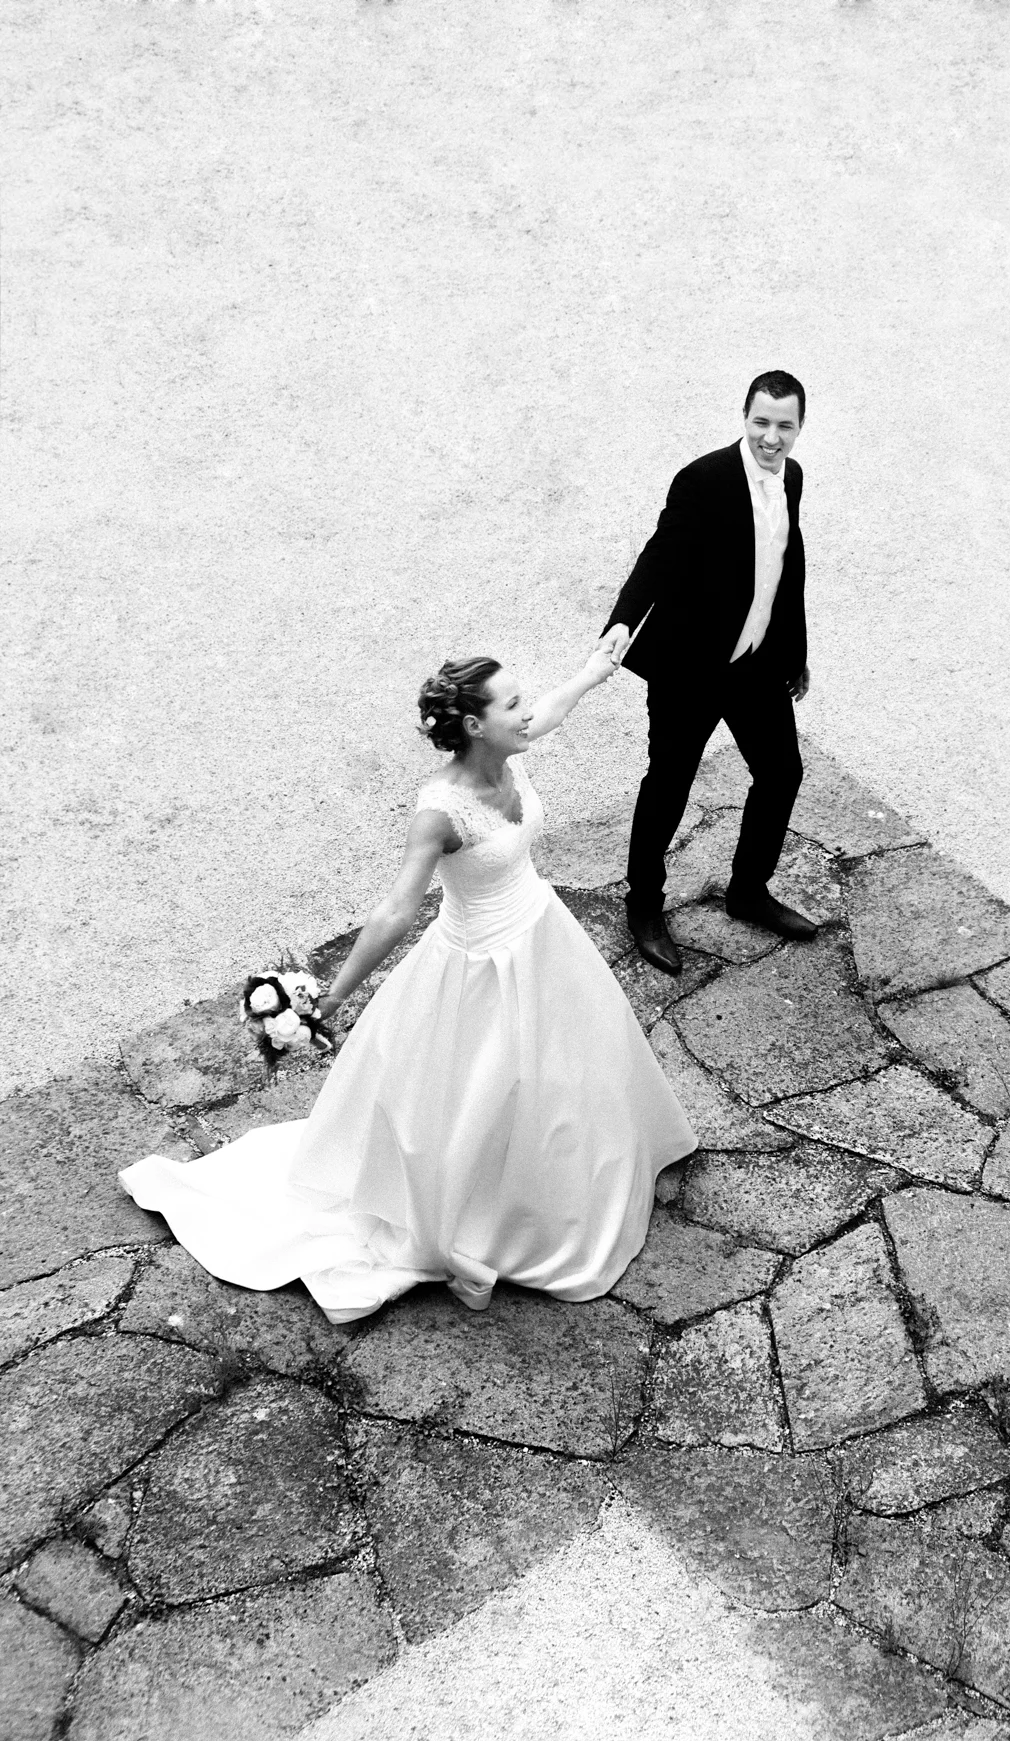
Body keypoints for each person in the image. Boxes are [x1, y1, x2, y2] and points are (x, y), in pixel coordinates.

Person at [119, 644, 697, 1321]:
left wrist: (596, 671)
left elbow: (553, 712)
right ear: (476, 726)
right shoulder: (441, 812)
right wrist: (333, 993)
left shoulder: (510, 749)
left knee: (564, 1078)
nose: (527, 710)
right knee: (489, 1090)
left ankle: (562, 1186)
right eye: (512, 703)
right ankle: (489, 1217)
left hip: (541, 935)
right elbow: (397, 910)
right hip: (478, 968)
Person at [604, 369, 816, 975]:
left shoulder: (792, 478)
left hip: (756, 664)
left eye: (784, 426)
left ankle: (748, 891)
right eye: (761, 423)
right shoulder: (704, 479)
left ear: (800, 427)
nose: (771, 439)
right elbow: (660, 552)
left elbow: (786, 566)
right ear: (743, 417)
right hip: (689, 669)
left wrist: (795, 653)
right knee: (669, 784)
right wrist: (622, 621)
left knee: (781, 773)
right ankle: (643, 907)